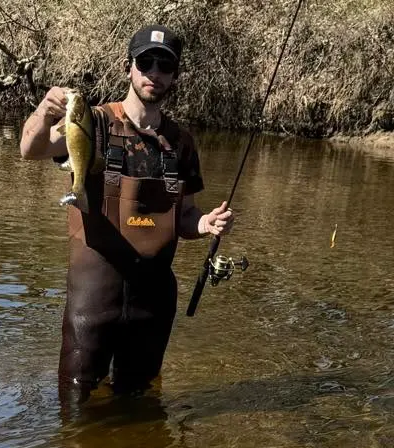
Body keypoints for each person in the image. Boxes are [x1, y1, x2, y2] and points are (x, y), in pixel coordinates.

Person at [20, 25, 235, 401]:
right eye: (145, 62)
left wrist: (204, 223)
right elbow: (30, 149)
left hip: (152, 302)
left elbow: (185, 215)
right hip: (93, 297)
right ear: (128, 67)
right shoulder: (93, 121)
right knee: (75, 405)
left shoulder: (181, 143)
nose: (154, 72)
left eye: (164, 66)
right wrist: (44, 110)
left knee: (139, 409)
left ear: (174, 76)